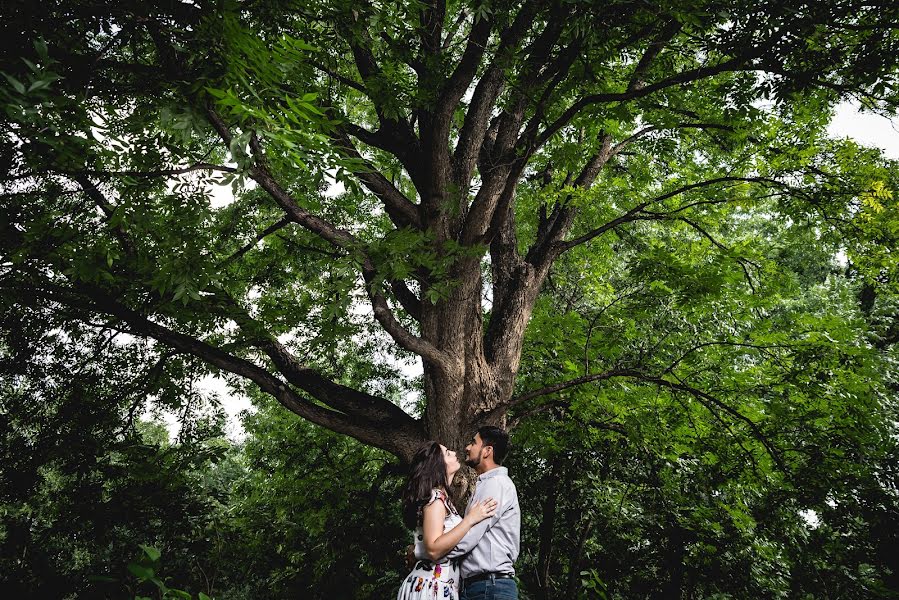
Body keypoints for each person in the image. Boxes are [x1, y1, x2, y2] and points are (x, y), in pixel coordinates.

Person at [398, 441, 498, 600]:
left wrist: (416, 550)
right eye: (447, 453)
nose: (454, 452)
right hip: (431, 587)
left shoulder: (441, 500)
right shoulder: (435, 499)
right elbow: (434, 549)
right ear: (436, 465)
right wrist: (470, 519)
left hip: (441, 587)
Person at [445, 426, 521, 600]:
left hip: (489, 588)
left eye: (473, 443)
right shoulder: (487, 484)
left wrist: (428, 553)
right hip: (482, 587)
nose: (467, 447)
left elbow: (468, 538)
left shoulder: (496, 485)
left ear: (487, 451)